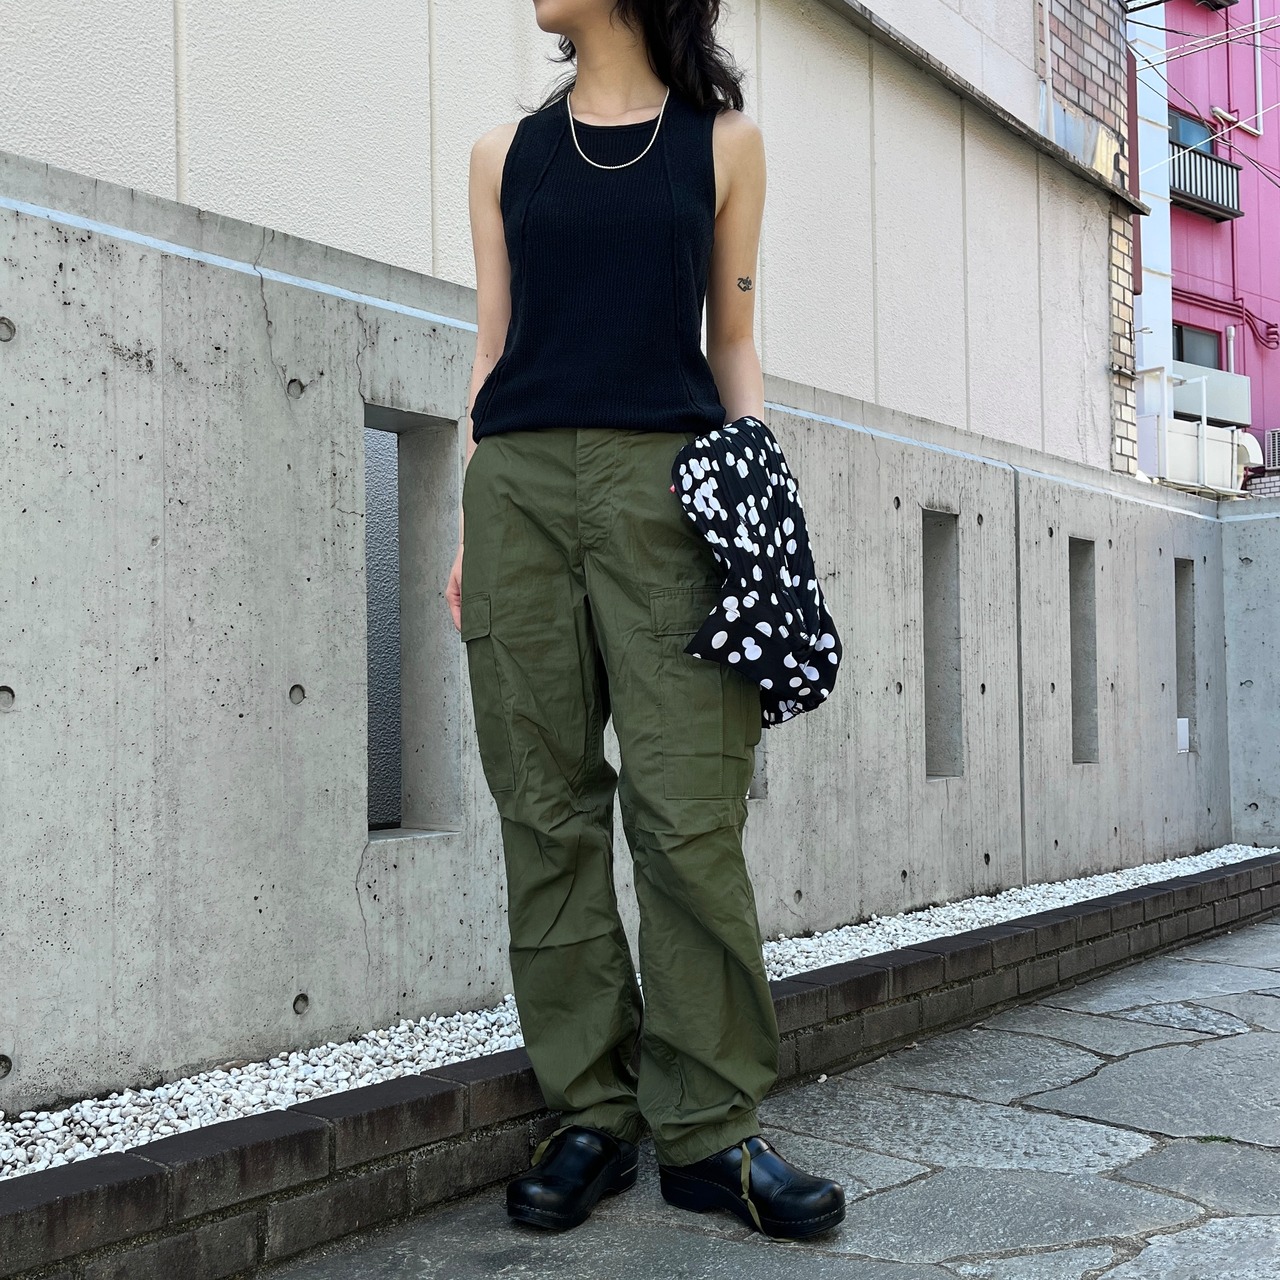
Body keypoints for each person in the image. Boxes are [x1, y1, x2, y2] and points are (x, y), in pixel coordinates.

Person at [444, 0, 845, 1242]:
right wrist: (469, 521)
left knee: (686, 810)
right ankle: (590, 1112)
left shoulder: (721, 144)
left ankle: (710, 1127)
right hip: (518, 492)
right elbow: (492, 348)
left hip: (668, 494)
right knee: (544, 808)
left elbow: (734, 341)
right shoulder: (502, 156)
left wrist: (760, 520)